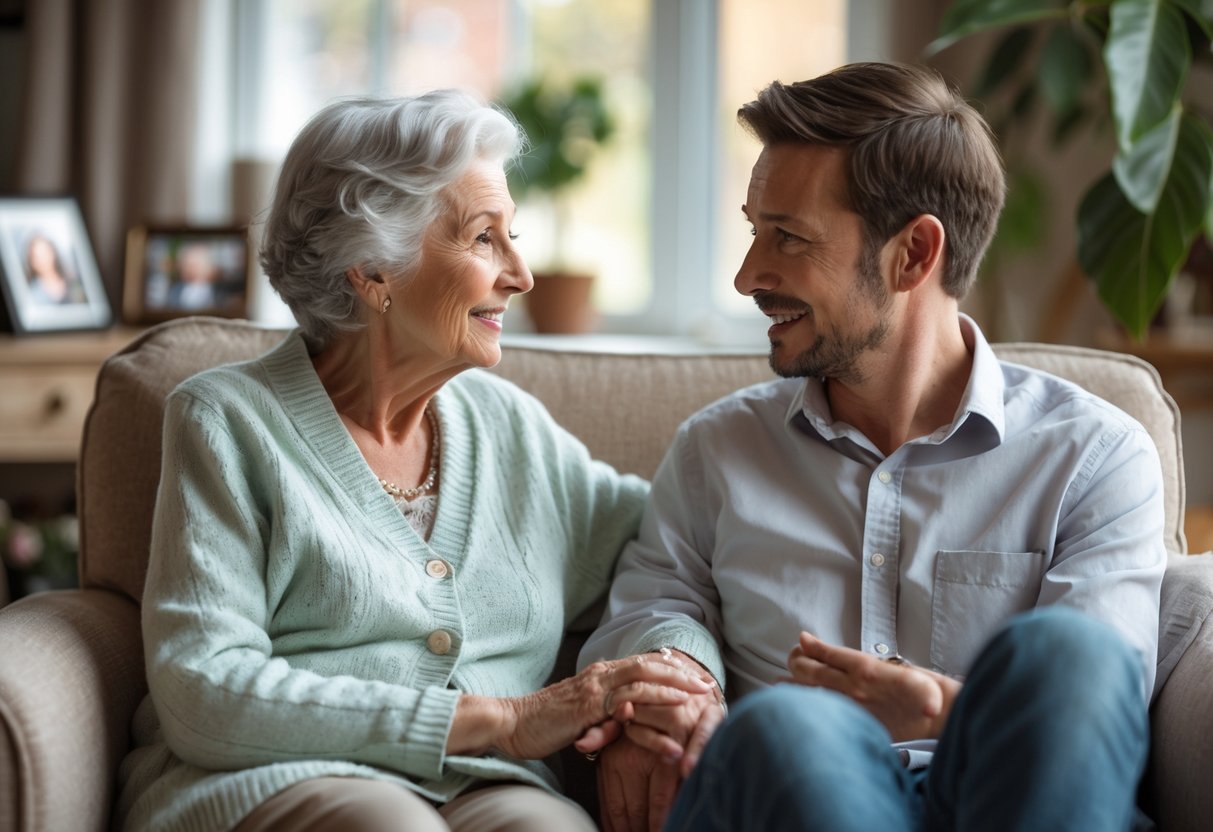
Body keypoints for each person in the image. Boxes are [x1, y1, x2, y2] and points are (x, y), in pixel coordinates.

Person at [578, 62, 1166, 832]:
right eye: (754, 231)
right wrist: (677, 673)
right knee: (789, 724)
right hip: (795, 792)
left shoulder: (1093, 455)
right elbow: (652, 608)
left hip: (1006, 798)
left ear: (913, 254)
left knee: (1068, 653)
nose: (747, 276)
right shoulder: (715, 452)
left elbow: (1092, 712)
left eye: (787, 237)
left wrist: (947, 708)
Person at [114, 90, 713, 832]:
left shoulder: (511, 430)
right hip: (279, 776)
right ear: (373, 270)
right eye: (484, 238)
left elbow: (681, 551)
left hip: (487, 786)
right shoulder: (228, 420)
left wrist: (678, 670)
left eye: (513, 236)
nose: (521, 275)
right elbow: (203, 688)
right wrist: (504, 720)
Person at [25, 232, 84, 305]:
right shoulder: (33, 296)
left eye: (44, 253)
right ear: (31, 262)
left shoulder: (73, 281)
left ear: (53, 252)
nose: (43, 260)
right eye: (37, 257)